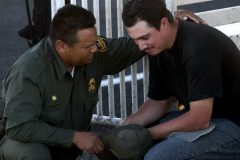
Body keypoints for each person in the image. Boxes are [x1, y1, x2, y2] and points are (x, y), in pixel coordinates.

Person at [0, 4, 206, 160]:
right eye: (87, 45)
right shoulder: (29, 71)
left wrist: (171, 23)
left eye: (95, 42)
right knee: (33, 154)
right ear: (61, 46)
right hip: (28, 142)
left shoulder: (93, 51)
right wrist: (73, 137)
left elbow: (138, 44)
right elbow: (19, 127)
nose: (95, 49)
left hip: (72, 142)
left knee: (125, 142)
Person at [121, 0, 240, 160]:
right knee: (124, 143)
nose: (141, 46)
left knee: (157, 157)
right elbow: (158, 102)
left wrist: (145, 134)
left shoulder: (197, 47)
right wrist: (127, 126)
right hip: (203, 117)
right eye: (136, 40)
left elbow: (199, 119)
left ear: (164, 23)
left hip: (231, 124)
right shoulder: (157, 46)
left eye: (145, 37)